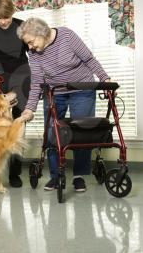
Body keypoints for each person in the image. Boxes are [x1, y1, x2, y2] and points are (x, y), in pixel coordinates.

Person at [17, 17, 110, 192]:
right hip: (55, 93)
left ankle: (79, 175)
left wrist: (105, 78)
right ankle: (55, 175)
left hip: (82, 89)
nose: (29, 47)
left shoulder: (67, 36)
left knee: (81, 132)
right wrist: (29, 109)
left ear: (42, 33)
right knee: (53, 132)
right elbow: (37, 81)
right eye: (27, 44)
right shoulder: (34, 53)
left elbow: (89, 60)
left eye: (31, 42)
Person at [0, 0, 31, 188]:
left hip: (22, 77)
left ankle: (15, 174)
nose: (2, 22)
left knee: (18, 127)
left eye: (6, 17)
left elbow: (33, 52)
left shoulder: (22, 26)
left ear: (12, 12)